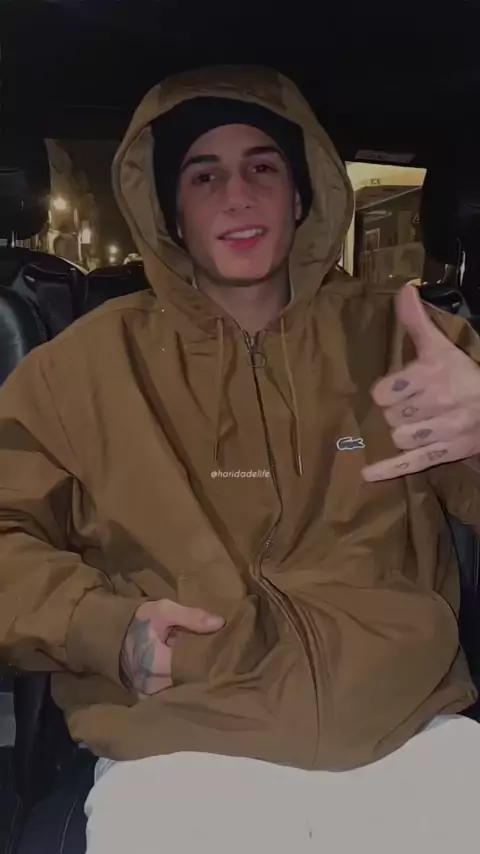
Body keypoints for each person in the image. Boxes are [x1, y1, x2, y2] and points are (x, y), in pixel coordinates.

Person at [2, 65, 480, 852]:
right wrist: (103, 628)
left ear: (301, 194)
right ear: (171, 211)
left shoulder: (409, 342)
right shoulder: (81, 368)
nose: (238, 196)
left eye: (263, 167)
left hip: (407, 735)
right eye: (204, 175)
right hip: (179, 747)